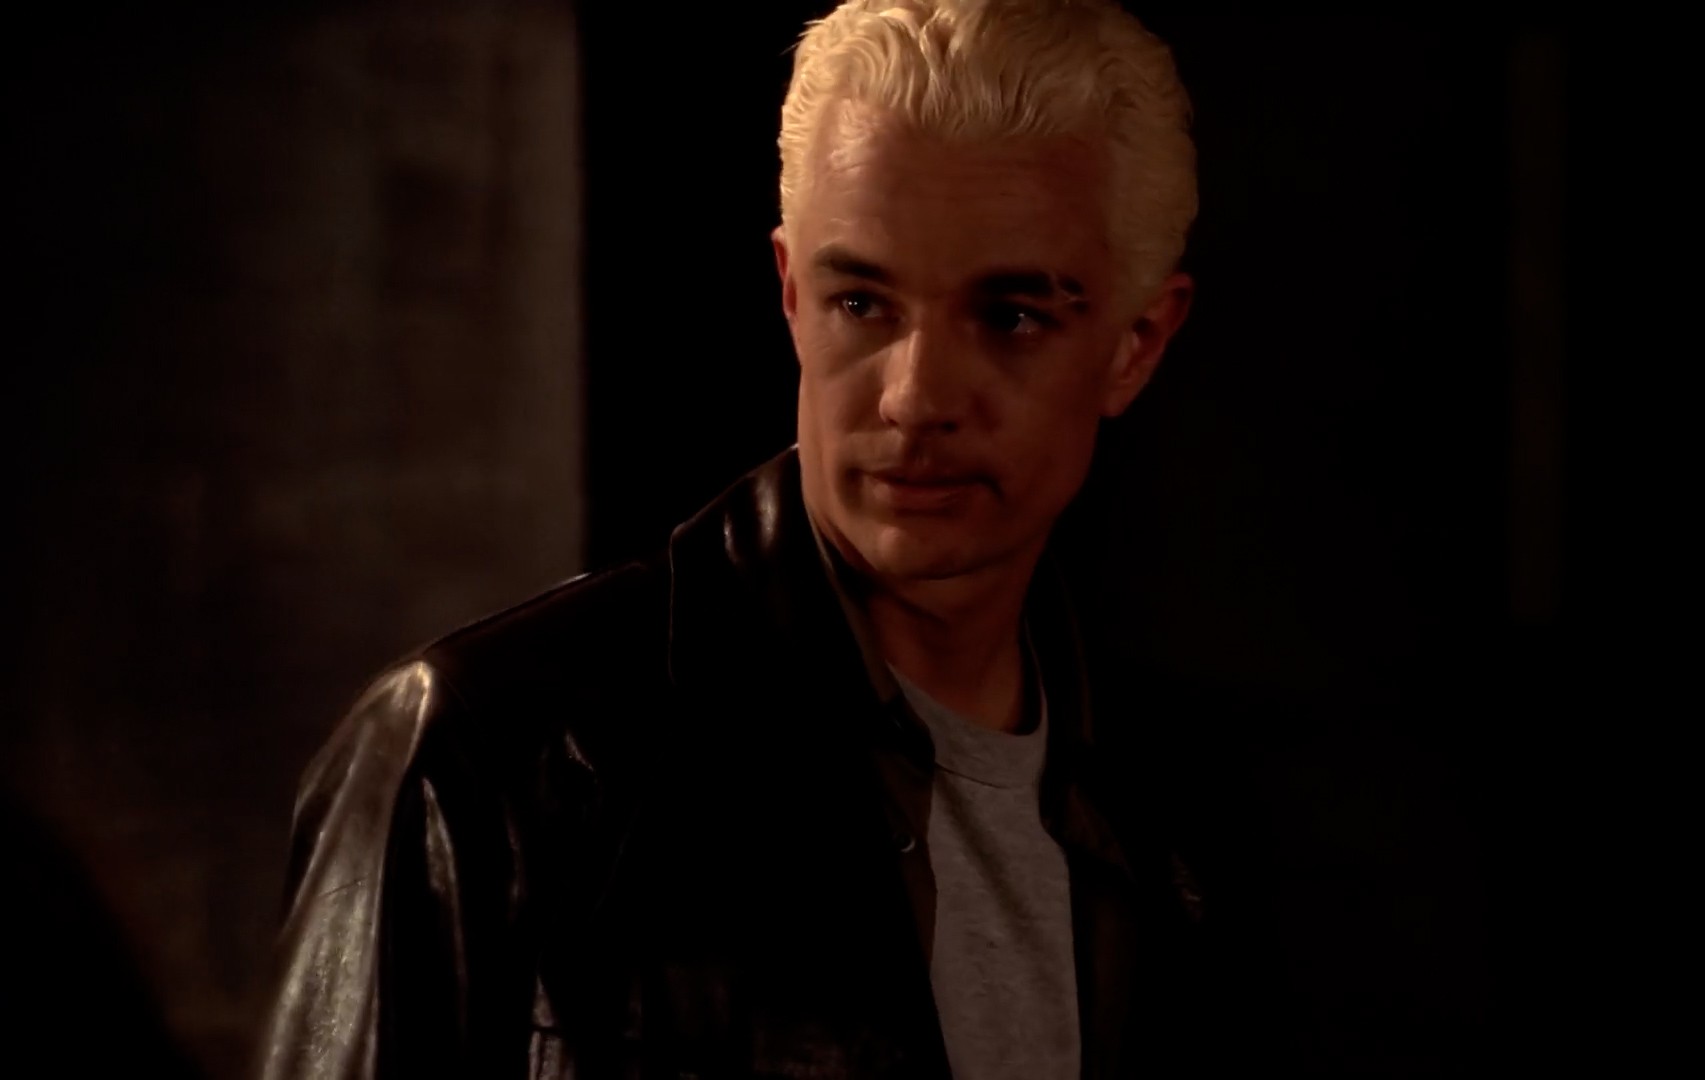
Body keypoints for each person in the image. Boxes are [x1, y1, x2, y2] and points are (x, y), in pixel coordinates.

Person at [255, 1, 1205, 1076]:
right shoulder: (485, 753)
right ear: (792, 294)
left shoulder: (1190, 810)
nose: (916, 396)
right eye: (862, 302)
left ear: (1136, 344)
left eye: (1012, 315)